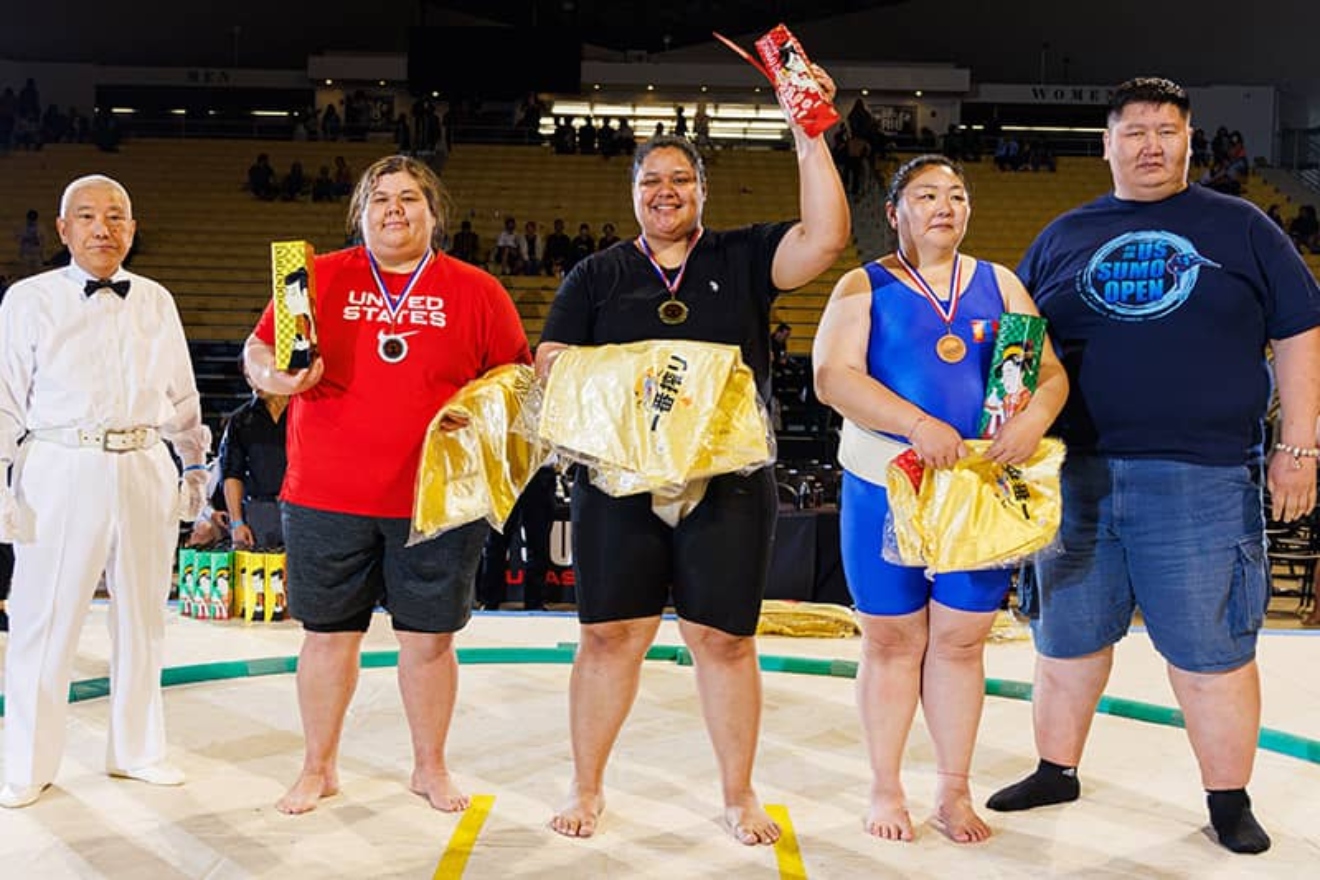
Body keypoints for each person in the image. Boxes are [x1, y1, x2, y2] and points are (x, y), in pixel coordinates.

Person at [984, 77, 1320, 856]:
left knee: (1213, 652)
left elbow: (1303, 330)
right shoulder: (1062, 236)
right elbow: (1016, 355)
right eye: (1134, 131)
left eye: (1168, 131)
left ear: (1191, 142)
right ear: (1106, 144)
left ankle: (1228, 799)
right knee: (1065, 641)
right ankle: (1055, 769)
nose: (1151, 145)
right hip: (1078, 474)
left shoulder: (1240, 227)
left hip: (1201, 476)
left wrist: (1300, 445)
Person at [536, 58, 850, 845]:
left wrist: (808, 133)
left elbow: (827, 238)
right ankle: (586, 784)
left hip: (729, 480)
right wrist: (643, 382)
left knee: (725, 638)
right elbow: (551, 365)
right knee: (611, 636)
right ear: (633, 193)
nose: (665, 192)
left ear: (702, 190)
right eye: (651, 182)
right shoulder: (598, 274)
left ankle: (739, 793)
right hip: (622, 480)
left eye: (680, 179)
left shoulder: (741, 258)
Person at [243, 154, 531, 815]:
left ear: (434, 213)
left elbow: (518, 385)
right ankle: (318, 766)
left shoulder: (478, 290)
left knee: (429, 640)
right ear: (360, 214)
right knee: (326, 635)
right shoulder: (310, 278)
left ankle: (429, 767)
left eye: (409, 198)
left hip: (435, 497)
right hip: (325, 492)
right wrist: (270, 375)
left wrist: (481, 410)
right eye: (380, 199)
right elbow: (257, 349)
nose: (394, 209)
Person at [812, 154, 1067, 844]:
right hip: (885, 482)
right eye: (926, 195)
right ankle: (885, 787)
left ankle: (953, 792)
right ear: (894, 213)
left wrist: (1033, 420)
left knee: (960, 641)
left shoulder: (1001, 283)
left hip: (975, 490)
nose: (944, 206)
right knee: (893, 640)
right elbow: (834, 377)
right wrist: (915, 423)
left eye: (956, 195)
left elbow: (1044, 376)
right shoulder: (863, 287)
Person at [0, 174, 211, 809]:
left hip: (145, 462)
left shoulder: (156, 299)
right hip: (62, 462)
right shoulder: (27, 299)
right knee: (45, 618)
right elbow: (6, 398)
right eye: (87, 217)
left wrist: (194, 466)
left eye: (116, 216)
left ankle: (138, 751)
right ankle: (27, 765)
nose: (102, 228)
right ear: (63, 230)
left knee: (144, 618)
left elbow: (182, 392)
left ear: (133, 228)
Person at [220, 356, 288, 549]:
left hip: (302, 509)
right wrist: (237, 522)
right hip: (260, 511)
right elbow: (232, 474)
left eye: (257, 375)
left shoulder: (306, 412)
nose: (254, 383)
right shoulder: (240, 420)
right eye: (248, 377)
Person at [476, 465, 557, 611]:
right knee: (496, 542)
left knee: (539, 544)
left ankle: (535, 602)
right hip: (504, 469)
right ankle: (489, 601)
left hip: (539, 470)